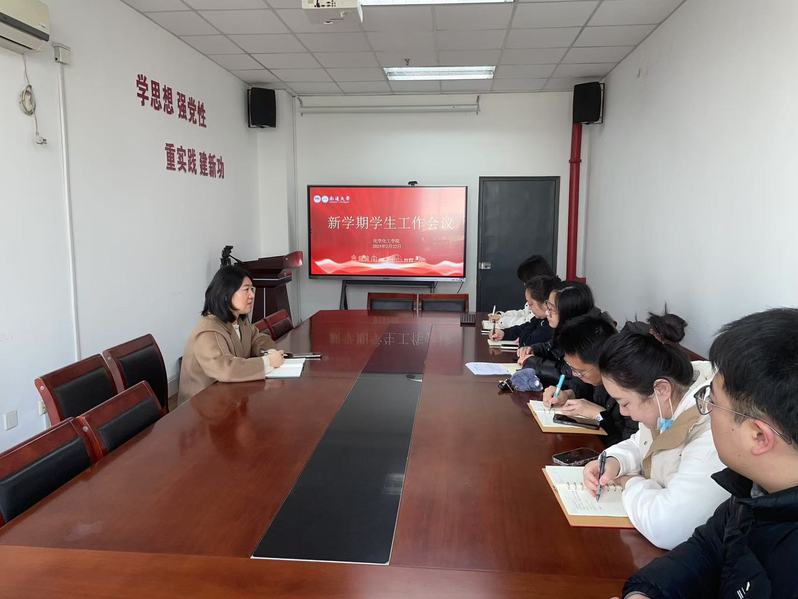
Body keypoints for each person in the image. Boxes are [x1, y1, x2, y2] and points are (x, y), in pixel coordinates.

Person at [618, 309, 798, 599]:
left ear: (758, 436)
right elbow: (704, 551)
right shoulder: (751, 493)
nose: (706, 410)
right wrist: (642, 594)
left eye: (711, 401)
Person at [582, 332, 729, 550]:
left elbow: (669, 527)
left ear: (661, 389)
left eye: (625, 403)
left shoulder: (713, 428)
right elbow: (640, 443)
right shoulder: (665, 405)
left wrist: (628, 482)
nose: (622, 412)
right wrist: (614, 461)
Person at [178, 265, 284, 404]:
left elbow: (257, 338)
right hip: (201, 407)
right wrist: (267, 362)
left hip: (229, 397)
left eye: (252, 289)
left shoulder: (239, 321)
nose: (252, 295)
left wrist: (269, 352)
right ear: (226, 294)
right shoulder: (208, 331)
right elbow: (225, 369)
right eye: (246, 289)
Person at [542, 314, 638, 445]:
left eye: (580, 372)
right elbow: (584, 385)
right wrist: (568, 394)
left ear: (604, 362)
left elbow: (627, 446)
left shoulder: (632, 392)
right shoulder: (597, 375)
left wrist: (599, 415)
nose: (574, 374)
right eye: (571, 367)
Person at [516, 281, 597, 382]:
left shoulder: (587, 339)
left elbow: (568, 373)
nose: (547, 313)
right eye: (547, 306)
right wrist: (534, 349)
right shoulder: (568, 329)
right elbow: (552, 347)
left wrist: (532, 362)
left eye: (551, 309)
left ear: (567, 311)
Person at [488, 275, 560, 347]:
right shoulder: (540, 319)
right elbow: (523, 328)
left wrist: (522, 338)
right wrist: (504, 333)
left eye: (531, 304)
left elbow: (528, 341)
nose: (529, 308)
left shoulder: (551, 325)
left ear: (545, 303)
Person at [489, 255, 554, 328]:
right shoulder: (536, 293)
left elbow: (527, 321)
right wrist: (503, 315)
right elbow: (525, 313)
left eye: (525, 281)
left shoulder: (545, 296)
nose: (524, 284)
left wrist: (502, 320)